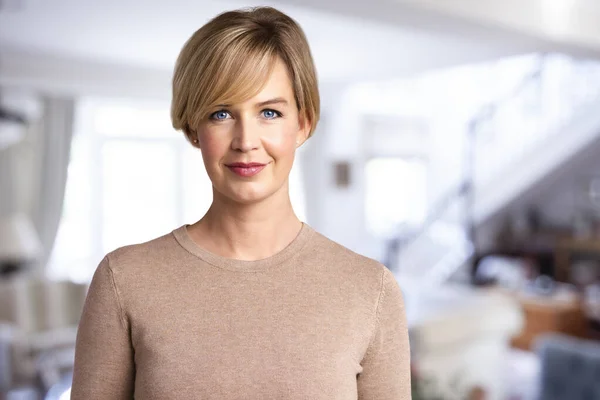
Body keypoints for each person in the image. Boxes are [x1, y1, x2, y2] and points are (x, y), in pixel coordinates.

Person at [71, 6, 410, 399]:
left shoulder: (370, 290)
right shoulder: (124, 280)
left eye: (269, 112)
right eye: (221, 113)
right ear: (194, 129)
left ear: (303, 123)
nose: (246, 140)